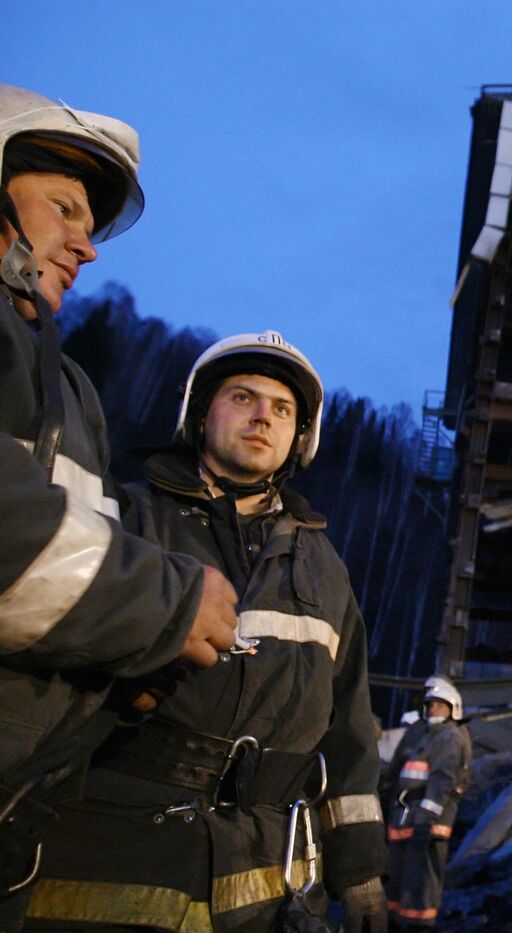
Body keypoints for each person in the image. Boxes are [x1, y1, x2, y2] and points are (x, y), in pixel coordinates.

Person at [24, 332, 388, 932]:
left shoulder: (324, 566)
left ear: (299, 437)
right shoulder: (121, 518)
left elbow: (349, 726)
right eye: (242, 397)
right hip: (108, 849)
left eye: (281, 409)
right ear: (199, 415)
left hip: (265, 875)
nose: (261, 418)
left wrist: (361, 868)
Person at [0, 85, 239, 930]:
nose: (87, 245)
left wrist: (113, 676)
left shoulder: (64, 383)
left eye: (93, 222)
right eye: (63, 207)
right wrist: (160, 606)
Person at [384, 677, 471, 928]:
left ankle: (419, 925)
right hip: (406, 817)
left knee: (420, 881)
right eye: (430, 705)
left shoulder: (450, 737)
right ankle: (397, 921)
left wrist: (425, 820)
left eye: (439, 705)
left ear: (452, 708)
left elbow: (442, 782)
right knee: (401, 878)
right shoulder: (423, 734)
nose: (433, 709)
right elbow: (400, 771)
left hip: (427, 823)